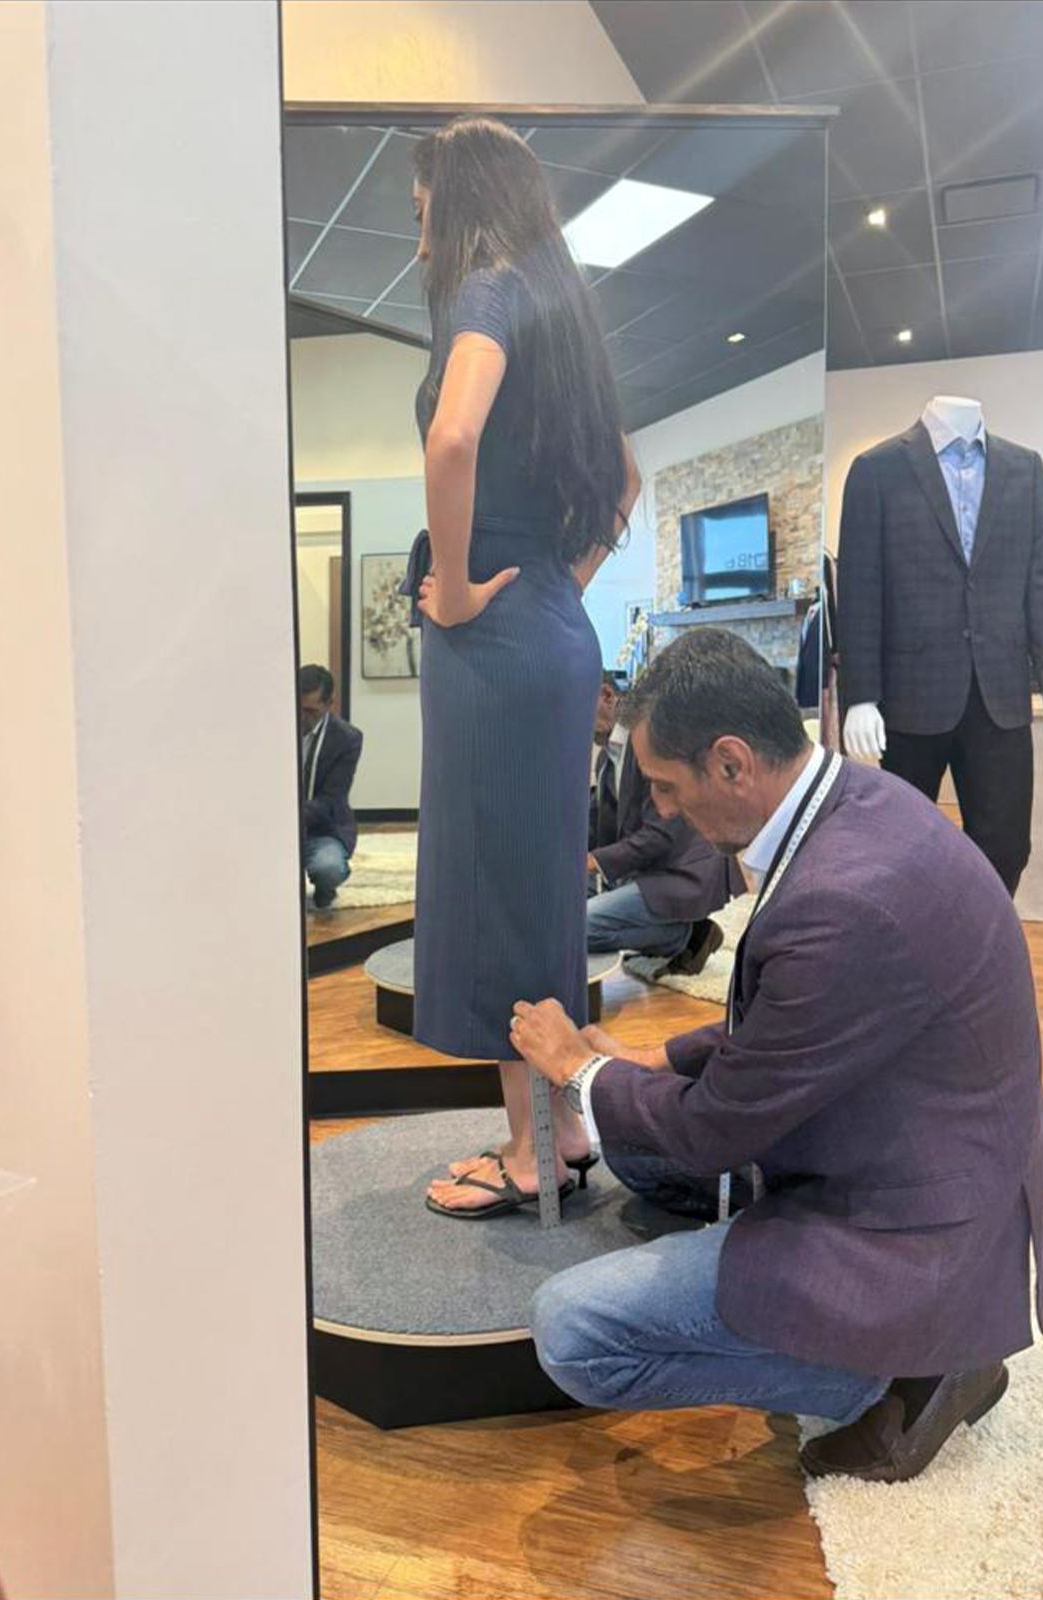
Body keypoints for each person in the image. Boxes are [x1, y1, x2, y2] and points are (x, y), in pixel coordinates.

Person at [511, 628, 1043, 1484]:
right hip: (919, 1145)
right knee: (633, 1142)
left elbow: (708, 1135)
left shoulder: (843, 899)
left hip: (915, 1226)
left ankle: (896, 1373)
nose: (659, 811)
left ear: (731, 763)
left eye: (667, 787)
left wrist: (575, 1072)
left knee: (573, 1330)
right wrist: (657, 1059)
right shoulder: (858, 804)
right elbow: (808, 1021)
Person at [404, 116, 641, 1219]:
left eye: (420, 217)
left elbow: (451, 442)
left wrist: (453, 585)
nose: (418, 246)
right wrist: (561, 588)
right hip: (546, 623)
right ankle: (566, 1122)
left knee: (499, 892)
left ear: (461, 204)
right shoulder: (563, 315)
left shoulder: (487, 293)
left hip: (492, 638)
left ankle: (530, 1147)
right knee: (535, 882)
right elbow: (627, 482)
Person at [589, 674, 741, 972]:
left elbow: (660, 835)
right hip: (644, 868)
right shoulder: (606, 760)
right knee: (556, 914)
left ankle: (686, 937)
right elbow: (599, 828)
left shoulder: (652, 746)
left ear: (607, 695)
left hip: (680, 870)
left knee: (578, 926)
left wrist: (593, 861)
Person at [299, 664, 363, 911]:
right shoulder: (277, 729)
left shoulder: (347, 739)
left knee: (329, 868)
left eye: (311, 711)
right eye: (298, 708)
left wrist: (295, 818)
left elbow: (332, 798)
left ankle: (325, 889)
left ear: (329, 704)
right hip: (275, 829)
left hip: (323, 828)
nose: (303, 718)